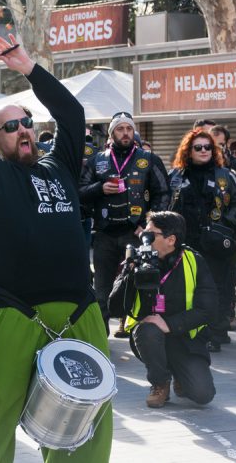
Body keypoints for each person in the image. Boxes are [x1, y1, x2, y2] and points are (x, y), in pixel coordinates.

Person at [0, 26, 111, 462]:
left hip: (80, 312)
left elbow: (73, 115)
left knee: (86, 428)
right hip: (13, 313)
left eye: (26, 121)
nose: (23, 129)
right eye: (10, 126)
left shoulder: (58, 167)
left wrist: (27, 68)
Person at [79, 111, 169, 335]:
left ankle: (138, 332)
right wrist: (99, 188)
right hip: (104, 234)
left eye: (129, 128)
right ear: (111, 134)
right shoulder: (96, 161)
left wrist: (149, 225)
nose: (126, 132)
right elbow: (78, 192)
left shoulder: (149, 159)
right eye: (120, 128)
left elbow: (164, 193)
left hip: (136, 233)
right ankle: (101, 338)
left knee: (139, 285)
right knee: (102, 289)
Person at [114, 212, 217, 408]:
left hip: (185, 338)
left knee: (203, 394)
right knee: (149, 332)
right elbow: (115, 307)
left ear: (171, 240)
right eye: (144, 232)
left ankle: (179, 374)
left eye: (151, 234)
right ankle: (160, 383)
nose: (145, 238)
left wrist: (169, 323)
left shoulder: (194, 261)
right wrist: (127, 273)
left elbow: (208, 309)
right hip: (149, 335)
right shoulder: (139, 260)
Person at [167, 129, 236, 352]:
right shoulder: (176, 176)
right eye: (198, 147)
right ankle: (189, 330)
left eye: (208, 147)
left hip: (216, 244)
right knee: (186, 290)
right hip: (185, 243)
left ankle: (216, 333)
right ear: (188, 151)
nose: (203, 151)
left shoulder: (225, 175)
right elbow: (164, 205)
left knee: (217, 289)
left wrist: (224, 225)